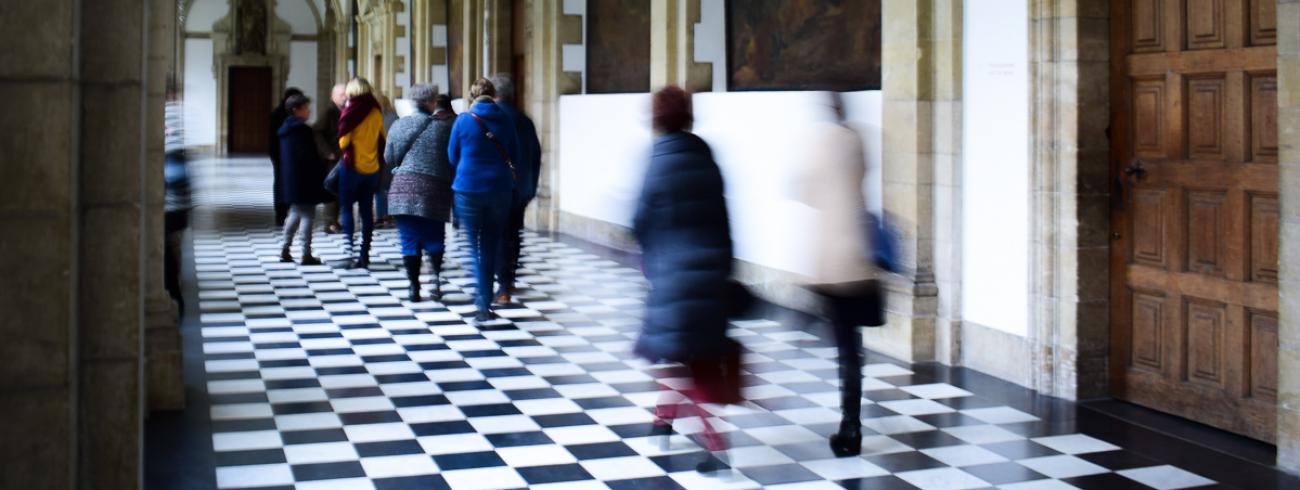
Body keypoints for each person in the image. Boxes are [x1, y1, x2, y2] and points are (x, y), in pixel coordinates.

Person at [632, 86, 739, 474]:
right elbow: (724, 219)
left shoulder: (658, 160)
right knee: (690, 355)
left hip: (674, 275)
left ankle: (715, 444)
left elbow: (640, 221)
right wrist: (725, 267)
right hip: (709, 272)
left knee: (684, 360)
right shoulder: (705, 157)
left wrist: (650, 261)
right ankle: (662, 419)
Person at [793, 91, 883, 457]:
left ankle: (849, 425)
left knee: (843, 341)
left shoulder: (822, 143)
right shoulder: (858, 139)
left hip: (833, 262)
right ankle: (852, 422)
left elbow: (807, 192)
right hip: (859, 257)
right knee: (852, 349)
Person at [448, 78, 519, 323]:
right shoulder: (507, 120)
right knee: (490, 245)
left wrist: (469, 171)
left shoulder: (464, 120)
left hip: (468, 190)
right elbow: (515, 154)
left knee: (472, 245)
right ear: (493, 95)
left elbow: (452, 156)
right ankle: (486, 300)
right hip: (500, 189)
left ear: (472, 97)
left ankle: (481, 302)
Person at [386, 86, 456, 302]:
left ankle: (413, 287)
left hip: (402, 189)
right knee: (435, 237)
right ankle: (435, 280)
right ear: (432, 102)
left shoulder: (399, 125)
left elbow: (389, 157)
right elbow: (451, 158)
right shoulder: (443, 128)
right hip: (434, 189)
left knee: (409, 240)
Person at [488, 73, 542, 305]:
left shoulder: (491, 118)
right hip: (521, 188)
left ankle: (502, 286)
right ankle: (509, 280)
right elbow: (536, 156)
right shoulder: (525, 119)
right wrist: (532, 187)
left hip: (497, 188)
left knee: (499, 235)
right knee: (513, 234)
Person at [337, 78, 387, 268]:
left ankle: (349, 248)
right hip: (372, 168)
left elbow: (343, 142)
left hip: (352, 167)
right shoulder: (376, 111)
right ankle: (364, 253)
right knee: (367, 212)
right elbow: (383, 138)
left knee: (347, 208)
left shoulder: (351, 111)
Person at [277, 94, 328, 265]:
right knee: (307, 215)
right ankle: (306, 253)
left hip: (291, 179)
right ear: (296, 110)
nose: (309, 111)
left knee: (294, 213)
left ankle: (285, 249)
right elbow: (308, 156)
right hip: (304, 178)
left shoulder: (285, 129)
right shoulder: (302, 130)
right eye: (306, 108)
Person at [163, 79, 193, 315]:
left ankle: (174, 290)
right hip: (173, 200)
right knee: (172, 246)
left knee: (172, 246)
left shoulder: (169, 114)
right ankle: (174, 290)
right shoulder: (170, 114)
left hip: (173, 201)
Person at [269, 87, 304, 226]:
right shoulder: (286, 117)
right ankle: (286, 211)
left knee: (280, 183)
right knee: (285, 183)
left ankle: (282, 213)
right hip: (283, 155)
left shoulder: (276, 114)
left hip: (278, 154)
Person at [314, 83, 346, 234]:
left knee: (339, 190)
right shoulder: (328, 112)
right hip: (333, 158)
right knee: (331, 190)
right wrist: (327, 152)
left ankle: (335, 220)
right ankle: (329, 222)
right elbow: (317, 131)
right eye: (341, 94)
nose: (345, 97)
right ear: (333, 96)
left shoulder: (345, 110)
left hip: (344, 156)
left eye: (346, 94)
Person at [374, 94, 400, 229]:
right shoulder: (395, 117)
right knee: (390, 186)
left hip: (379, 156)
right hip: (392, 156)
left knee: (380, 188)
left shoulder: (375, 118)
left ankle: (381, 216)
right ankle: (390, 213)